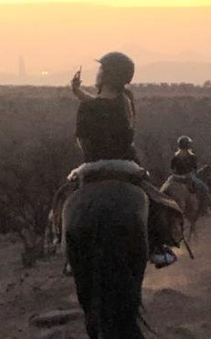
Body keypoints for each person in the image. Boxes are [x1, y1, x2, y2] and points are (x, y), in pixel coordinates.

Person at [68, 52, 183, 267]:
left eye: (101, 70)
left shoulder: (87, 108)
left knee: (67, 200)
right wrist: (78, 92)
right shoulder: (126, 100)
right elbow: (103, 106)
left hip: (93, 165)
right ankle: (158, 247)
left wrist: (78, 94)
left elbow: (84, 139)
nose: (98, 73)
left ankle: (67, 250)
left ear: (107, 75)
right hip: (127, 165)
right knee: (154, 200)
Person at [169, 135, 211, 201]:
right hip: (188, 176)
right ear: (188, 146)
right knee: (205, 188)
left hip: (176, 177)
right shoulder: (192, 157)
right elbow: (194, 170)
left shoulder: (175, 157)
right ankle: (204, 209)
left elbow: (172, 169)